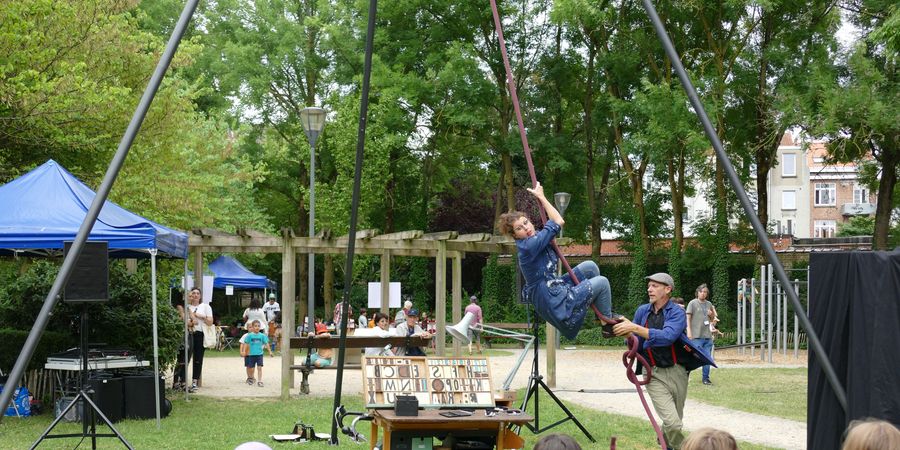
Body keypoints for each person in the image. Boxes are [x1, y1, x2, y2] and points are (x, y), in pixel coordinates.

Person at [497, 182, 617, 339]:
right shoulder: (529, 246)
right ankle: (607, 325)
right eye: (519, 228)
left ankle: (599, 315)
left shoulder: (537, 237)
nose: (526, 228)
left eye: (525, 222)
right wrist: (541, 197)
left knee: (590, 267)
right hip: (552, 300)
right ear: (515, 235)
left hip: (555, 287)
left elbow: (553, 223)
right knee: (602, 282)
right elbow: (559, 221)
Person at [613, 273, 714, 450]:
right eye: (649, 286)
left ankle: (665, 443)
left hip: (678, 372)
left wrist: (635, 328)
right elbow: (636, 343)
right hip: (652, 373)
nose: (649, 289)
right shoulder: (642, 311)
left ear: (667, 290)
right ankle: (686, 447)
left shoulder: (677, 312)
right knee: (673, 423)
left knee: (675, 418)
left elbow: (668, 337)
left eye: (654, 286)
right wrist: (629, 335)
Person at [686, 284, 715, 385]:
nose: (703, 294)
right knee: (693, 357)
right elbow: (688, 318)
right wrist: (689, 331)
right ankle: (686, 375)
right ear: (697, 292)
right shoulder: (692, 303)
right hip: (695, 336)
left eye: (705, 292)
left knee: (707, 358)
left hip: (707, 336)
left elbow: (712, 319)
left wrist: (711, 316)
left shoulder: (709, 304)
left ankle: (705, 378)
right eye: (701, 292)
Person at [186, 287, 213, 392]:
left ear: (200, 296)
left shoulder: (205, 307)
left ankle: (194, 381)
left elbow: (210, 322)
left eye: (198, 293)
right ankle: (181, 380)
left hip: (199, 334)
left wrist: (201, 316)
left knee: (198, 358)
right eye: (193, 293)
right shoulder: (187, 307)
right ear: (190, 295)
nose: (196, 295)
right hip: (188, 333)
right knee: (185, 358)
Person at [240, 320, 274, 387]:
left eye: (258, 326)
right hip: (251, 355)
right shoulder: (249, 336)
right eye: (255, 326)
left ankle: (260, 381)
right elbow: (246, 344)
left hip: (259, 355)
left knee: (259, 368)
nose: (257, 327)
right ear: (252, 327)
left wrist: (270, 351)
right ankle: (251, 378)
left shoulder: (262, 336)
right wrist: (243, 351)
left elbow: (266, 344)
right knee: (251, 368)